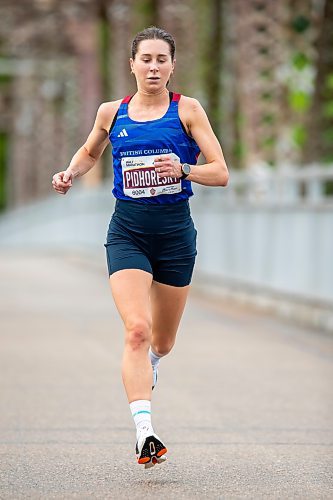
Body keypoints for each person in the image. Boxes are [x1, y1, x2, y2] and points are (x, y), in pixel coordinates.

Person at [52, 26, 229, 469]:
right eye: (145, 59)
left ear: (172, 65)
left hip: (174, 237)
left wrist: (185, 169)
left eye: (161, 60)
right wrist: (70, 173)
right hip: (127, 233)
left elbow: (222, 172)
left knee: (162, 343)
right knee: (136, 329)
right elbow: (91, 152)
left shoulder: (187, 110)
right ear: (131, 64)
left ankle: (151, 362)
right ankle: (144, 432)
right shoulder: (112, 113)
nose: (153, 67)